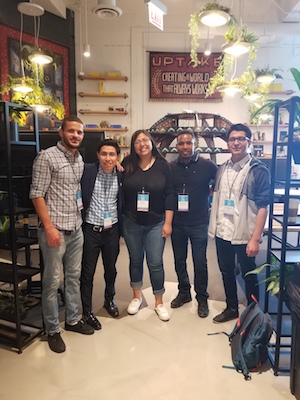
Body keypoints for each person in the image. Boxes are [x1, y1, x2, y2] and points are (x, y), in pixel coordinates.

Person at [29, 115, 94, 354]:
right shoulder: (47, 157)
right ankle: (53, 329)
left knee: (73, 277)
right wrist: (48, 227)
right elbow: (36, 194)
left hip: (75, 228)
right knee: (52, 281)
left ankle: (73, 320)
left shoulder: (79, 159)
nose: (75, 135)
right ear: (61, 132)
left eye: (79, 132)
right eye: (71, 131)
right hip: (54, 230)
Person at [208, 123, 270, 323]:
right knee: (226, 271)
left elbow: (263, 206)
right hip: (223, 231)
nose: (236, 143)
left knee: (249, 274)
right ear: (228, 143)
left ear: (249, 142)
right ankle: (232, 307)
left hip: (244, 233)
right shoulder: (222, 168)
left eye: (241, 139)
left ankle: (254, 314)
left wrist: (255, 239)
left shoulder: (258, 170)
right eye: (232, 139)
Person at [122, 130, 174, 321]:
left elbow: (170, 194)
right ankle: (136, 297)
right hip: (131, 221)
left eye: (145, 140)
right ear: (133, 145)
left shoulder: (163, 166)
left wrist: (168, 222)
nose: (142, 144)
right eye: (137, 141)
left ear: (152, 142)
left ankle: (159, 302)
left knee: (155, 262)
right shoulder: (127, 164)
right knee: (135, 259)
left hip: (156, 222)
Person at [170, 131, 217, 317]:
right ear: (177, 146)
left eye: (188, 143)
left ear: (194, 144)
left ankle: (202, 298)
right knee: (179, 260)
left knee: (200, 262)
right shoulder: (171, 167)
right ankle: (184, 293)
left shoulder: (208, 166)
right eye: (181, 144)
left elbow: (221, 184)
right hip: (177, 223)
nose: (185, 147)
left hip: (199, 222)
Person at [80, 139, 123, 330]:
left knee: (111, 269)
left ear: (117, 157)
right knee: (87, 273)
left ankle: (109, 300)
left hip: (112, 230)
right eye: (104, 154)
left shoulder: (122, 175)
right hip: (91, 230)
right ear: (98, 155)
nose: (108, 158)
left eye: (112, 154)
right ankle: (87, 311)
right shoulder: (87, 170)